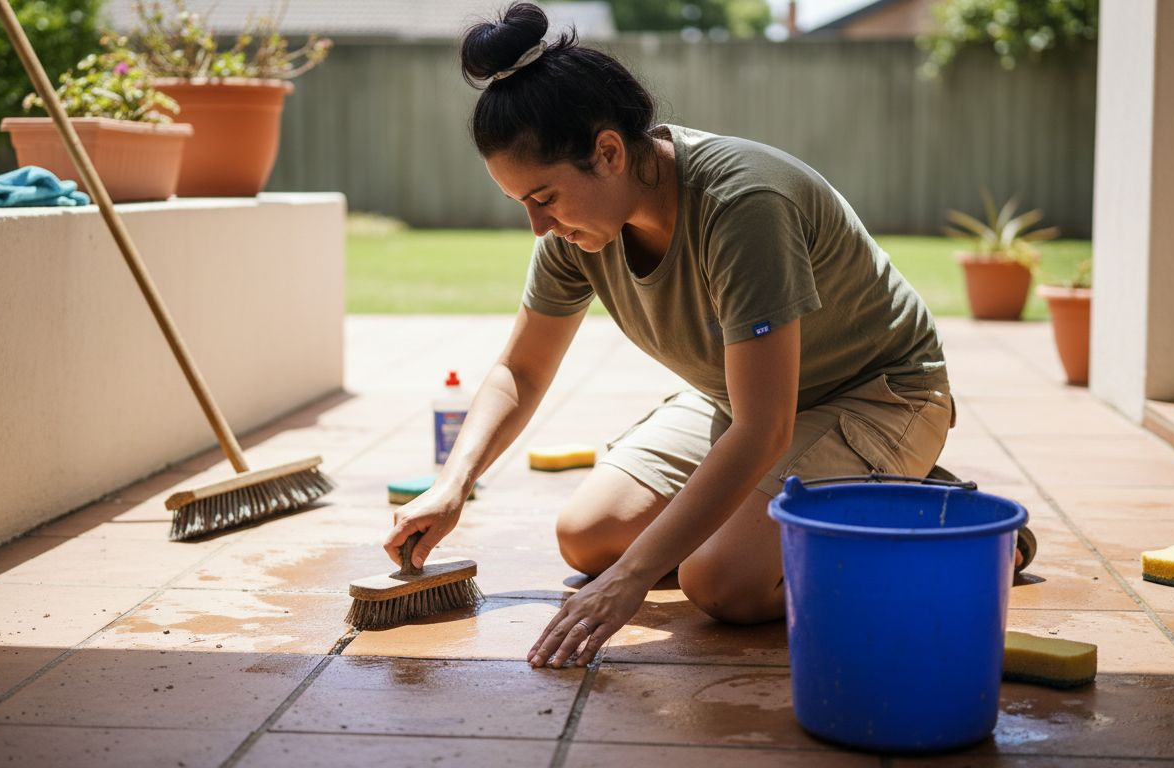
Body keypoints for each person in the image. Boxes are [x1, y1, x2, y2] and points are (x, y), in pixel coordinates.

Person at [383, 1, 956, 670]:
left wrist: (631, 581)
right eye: (522, 206)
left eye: (543, 198)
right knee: (586, 537)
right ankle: (827, 506)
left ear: (607, 151)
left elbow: (763, 428)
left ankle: (926, 515)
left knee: (724, 584)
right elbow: (523, 370)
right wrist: (455, 482)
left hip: (878, 394)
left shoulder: (744, 206)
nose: (537, 228)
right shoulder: (579, 229)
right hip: (743, 401)